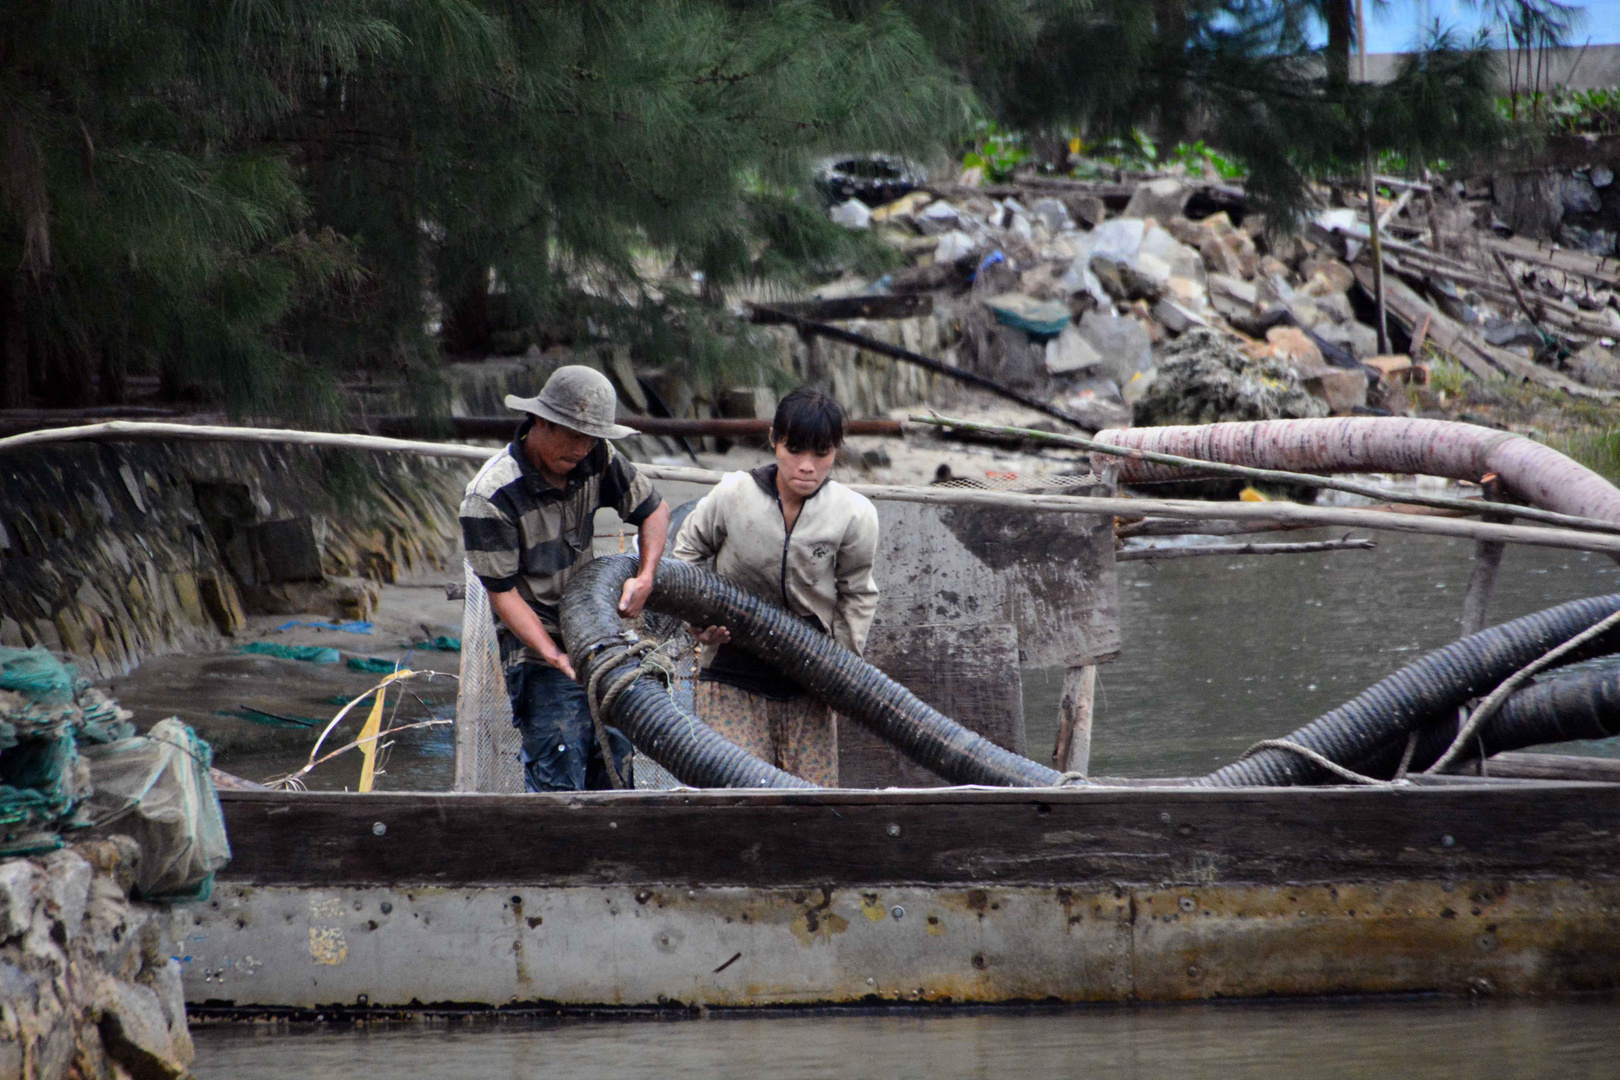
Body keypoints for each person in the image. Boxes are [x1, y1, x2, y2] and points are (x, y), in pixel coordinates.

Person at [459, 365, 670, 791]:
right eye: (573, 435)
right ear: (539, 421)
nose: (582, 447)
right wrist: (555, 657)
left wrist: (645, 576)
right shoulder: (490, 496)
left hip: (597, 638)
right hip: (539, 650)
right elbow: (502, 594)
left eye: (591, 436)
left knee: (615, 766)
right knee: (558, 777)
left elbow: (654, 510)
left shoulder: (596, 457)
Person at [671, 387, 879, 786]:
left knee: (809, 810)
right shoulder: (734, 494)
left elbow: (857, 593)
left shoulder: (854, 514)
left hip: (808, 683)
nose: (806, 466)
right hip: (731, 670)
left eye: (821, 454)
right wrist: (696, 620)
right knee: (733, 797)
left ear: (836, 450)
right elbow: (688, 553)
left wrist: (842, 673)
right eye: (794, 450)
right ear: (773, 440)